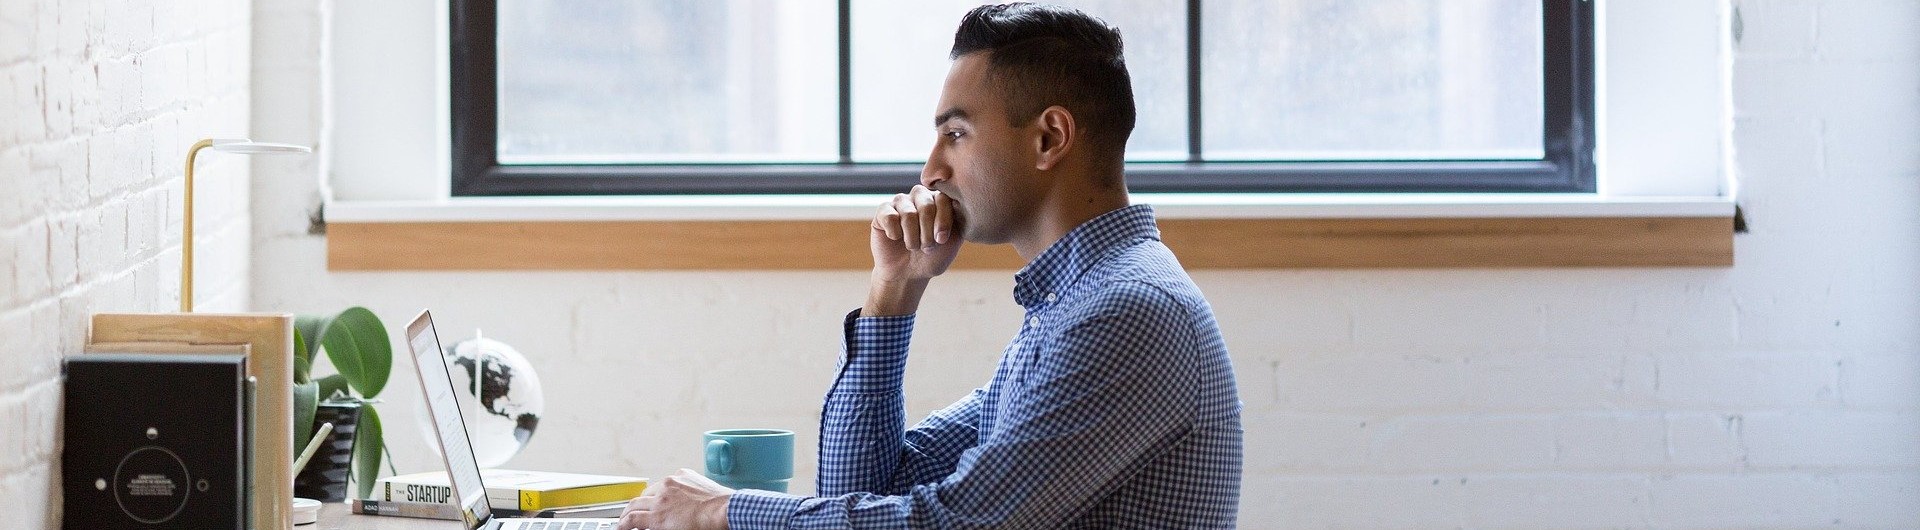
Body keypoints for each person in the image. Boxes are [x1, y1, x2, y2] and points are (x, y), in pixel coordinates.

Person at [620, 3, 1242, 528]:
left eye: (957, 134)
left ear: (1049, 138)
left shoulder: (1127, 313)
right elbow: (864, 491)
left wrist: (723, 511)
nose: (931, 170)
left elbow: (950, 522)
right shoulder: (1070, 308)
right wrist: (895, 286)